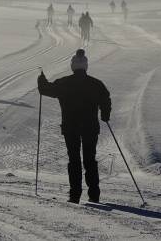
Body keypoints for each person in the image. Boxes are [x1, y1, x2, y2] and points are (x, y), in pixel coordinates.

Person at [37, 49, 111, 204]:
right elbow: (105, 99)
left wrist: (41, 79)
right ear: (86, 66)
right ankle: (94, 195)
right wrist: (105, 115)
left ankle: (75, 195)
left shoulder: (64, 83)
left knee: (74, 159)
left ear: (72, 66)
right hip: (90, 127)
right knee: (90, 159)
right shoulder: (95, 83)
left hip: (70, 127)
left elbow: (45, 90)